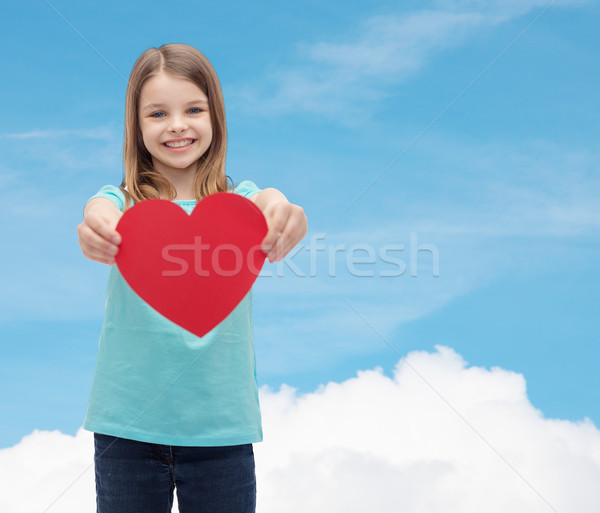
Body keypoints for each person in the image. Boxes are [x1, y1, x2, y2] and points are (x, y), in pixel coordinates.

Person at [76, 43, 307, 513]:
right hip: (127, 428)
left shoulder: (242, 203)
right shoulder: (121, 202)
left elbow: (271, 202)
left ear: (215, 117)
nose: (177, 124)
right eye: (158, 113)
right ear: (137, 127)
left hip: (221, 429)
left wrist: (284, 209)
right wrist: (95, 228)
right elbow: (97, 212)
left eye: (193, 109)